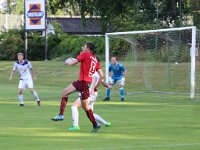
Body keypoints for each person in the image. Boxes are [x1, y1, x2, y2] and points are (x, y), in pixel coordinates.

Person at [51, 42, 103, 132]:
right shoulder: (95, 59)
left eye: (84, 46)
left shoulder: (85, 54)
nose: (83, 48)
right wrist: (95, 87)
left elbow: (72, 64)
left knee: (86, 107)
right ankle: (60, 115)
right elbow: (101, 75)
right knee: (64, 92)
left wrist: (68, 61)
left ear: (88, 49)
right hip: (84, 82)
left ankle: (95, 124)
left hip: (83, 83)